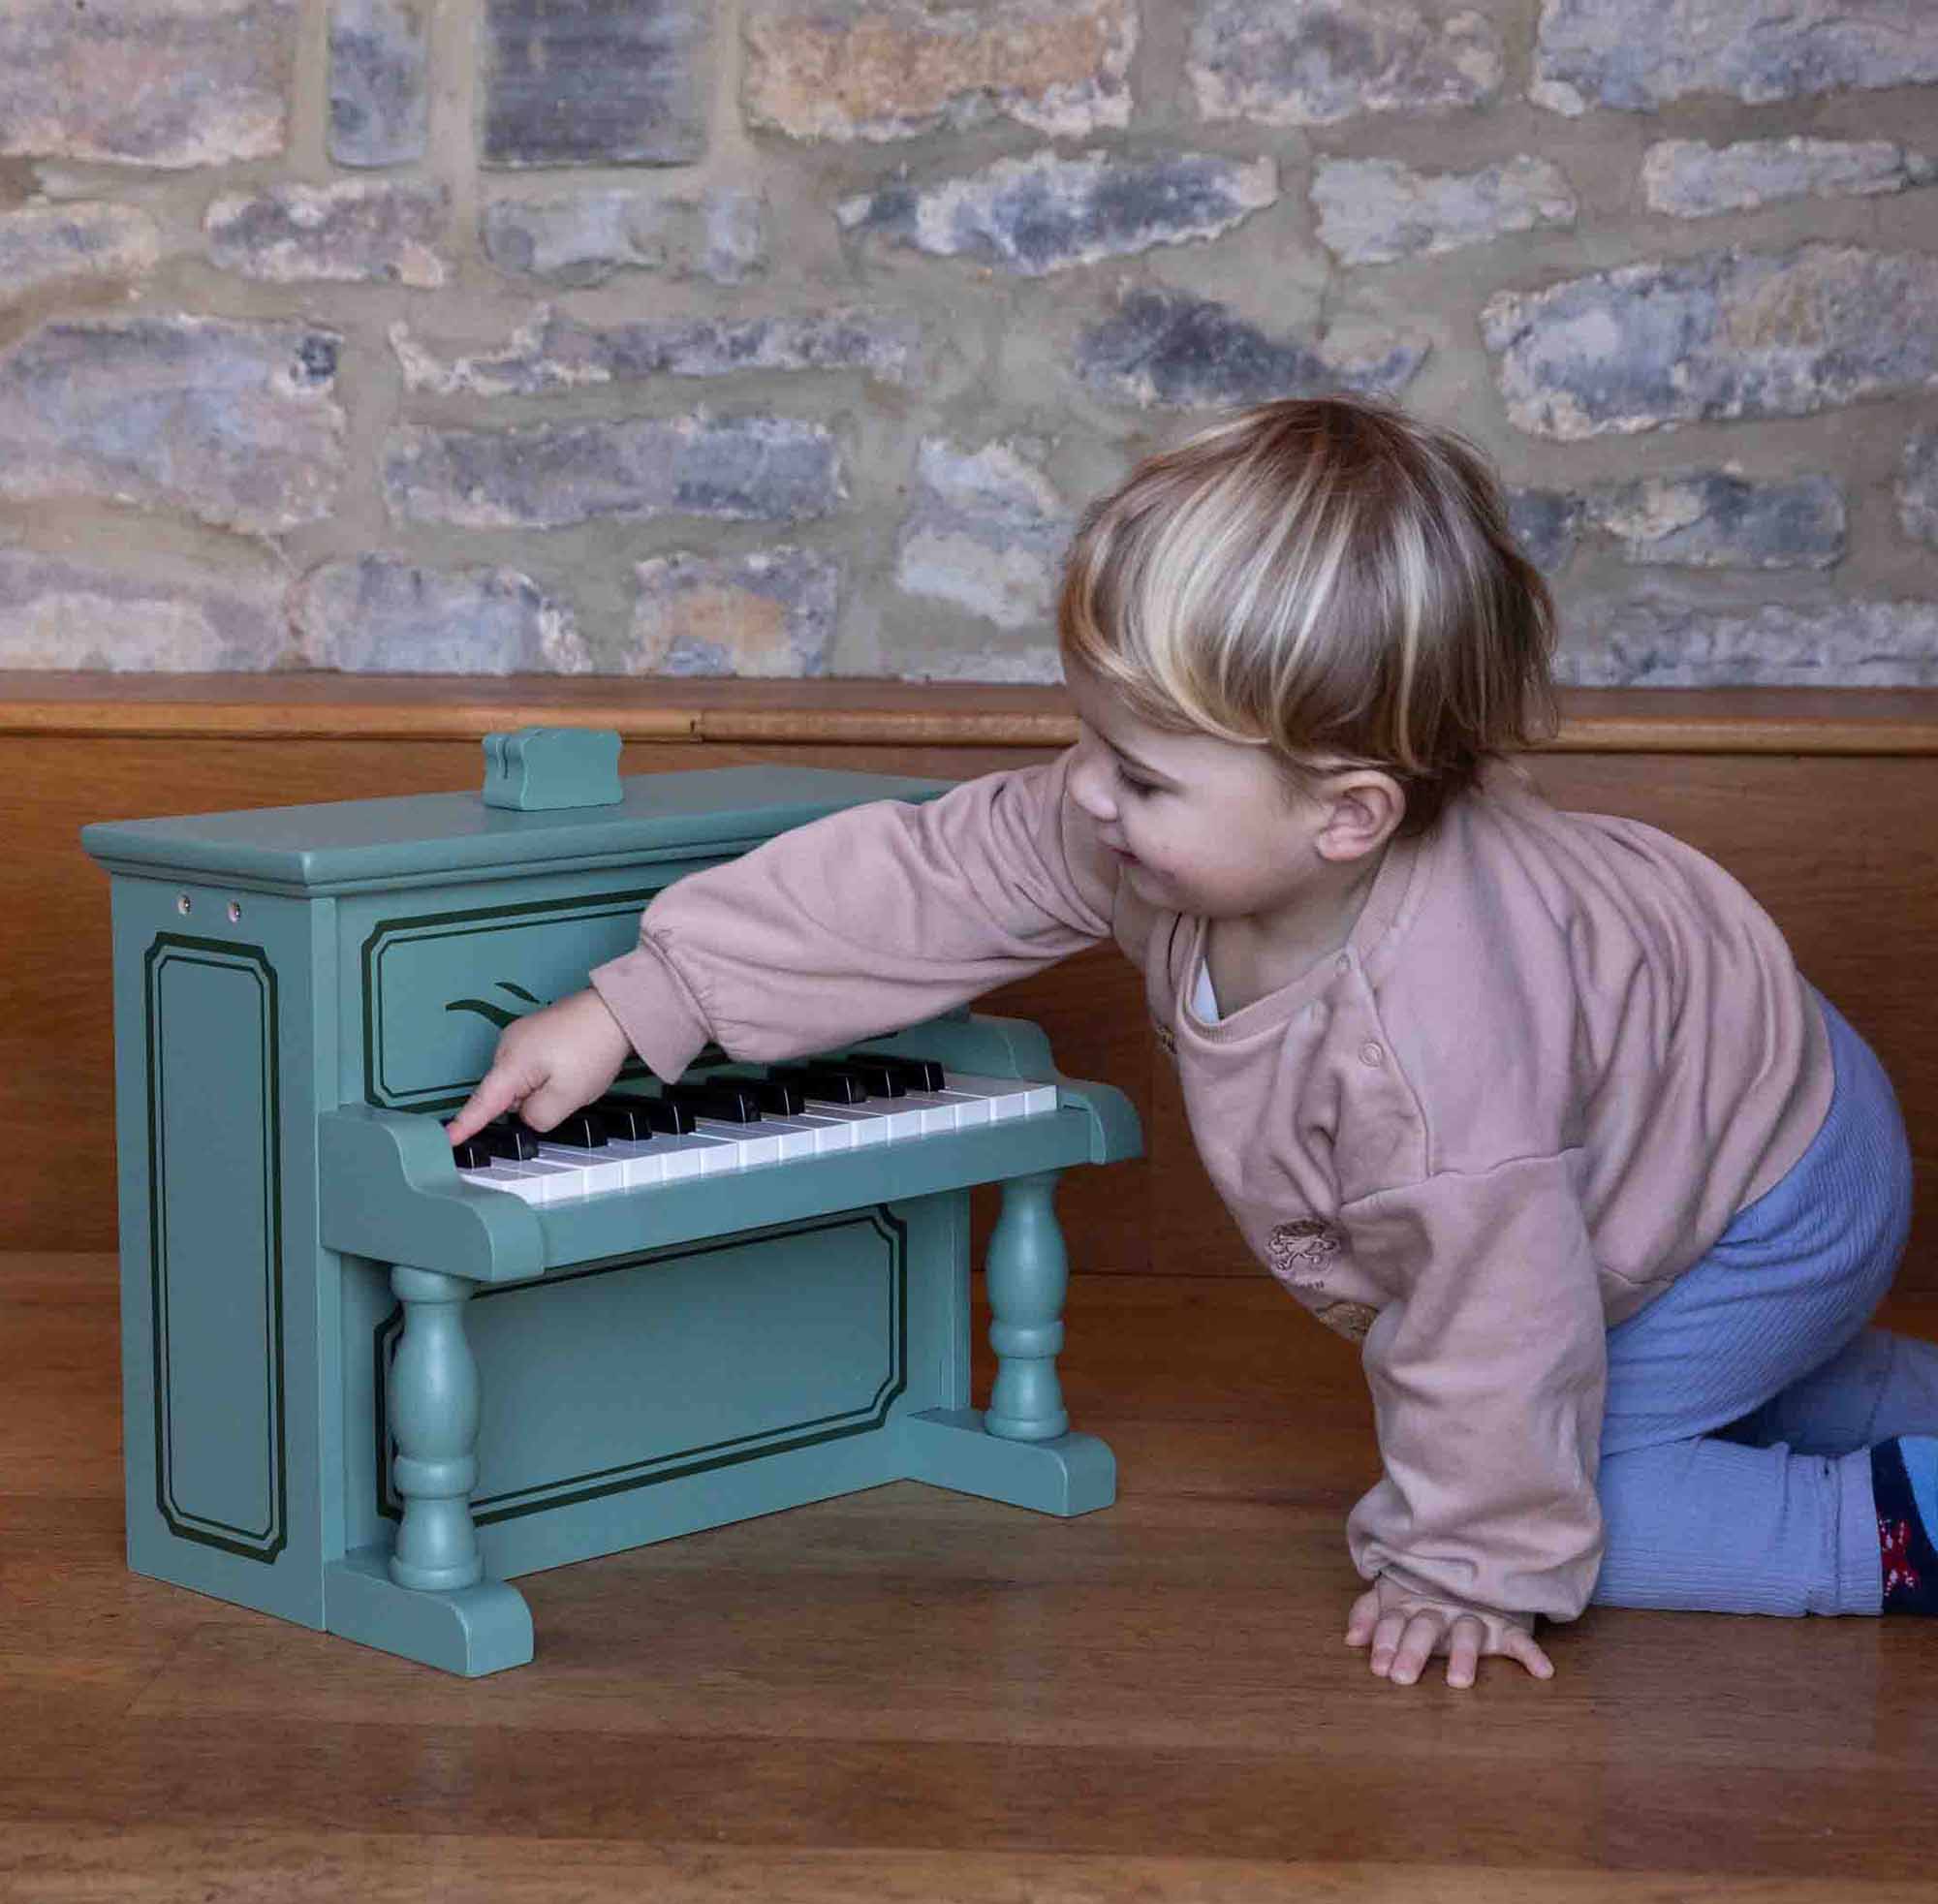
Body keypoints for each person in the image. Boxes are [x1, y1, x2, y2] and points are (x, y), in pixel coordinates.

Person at [448, 395, 1930, 1691]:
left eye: (1139, 774)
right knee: (1731, 1389)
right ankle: (1880, 1400)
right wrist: (650, 1000)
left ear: (1345, 813)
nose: (1086, 794)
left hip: (1760, 1194)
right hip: (1709, 1135)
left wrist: (1470, 1568)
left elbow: (1500, 1325)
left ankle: (1896, 1527)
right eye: (1089, 738)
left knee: (1592, 1508)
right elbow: (937, 875)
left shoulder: (1437, 1052)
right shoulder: (1168, 835)